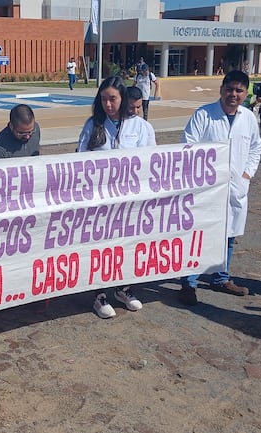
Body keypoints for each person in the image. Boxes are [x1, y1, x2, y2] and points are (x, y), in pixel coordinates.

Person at [178, 70, 261, 306]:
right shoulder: (204, 115)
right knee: (199, 235)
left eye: (239, 91)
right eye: (229, 89)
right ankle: (189, 282)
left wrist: (247, 174)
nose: (233, 94)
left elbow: (256, 147)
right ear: (221, 89)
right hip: (206, 188)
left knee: (229, 236)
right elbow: (188, 146)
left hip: (236, 186)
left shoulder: (248, 118)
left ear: (246, 94)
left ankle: (220, 278)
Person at [77, 76, 156, 318]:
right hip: (100, 202)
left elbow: (151, 162)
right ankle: (99, 295)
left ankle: (124, 289)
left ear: (122, 99)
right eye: (103, 99)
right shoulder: (93, 125)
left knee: (127, 247)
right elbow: (79, 160)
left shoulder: (141, 127)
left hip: (130, 202)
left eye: (112, 99)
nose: (107, 104)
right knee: (100, 248)